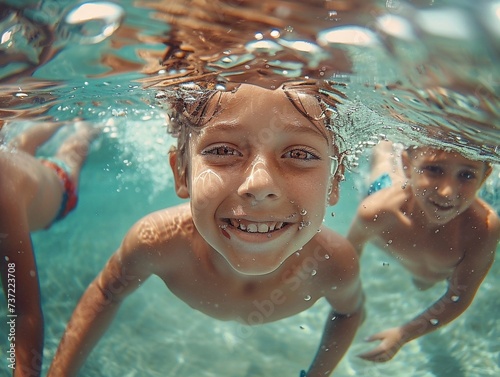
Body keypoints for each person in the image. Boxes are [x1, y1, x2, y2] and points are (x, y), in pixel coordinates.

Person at [48, 82, 365, 377]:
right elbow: (105, 293)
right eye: (224, 150)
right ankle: (80, 137)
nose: (260, 185)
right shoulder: (155, 241)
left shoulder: (333, 262)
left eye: (299, 154)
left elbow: (349, 314)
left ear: (334, 182)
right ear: (182, 174)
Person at [347, 140, 500, 363]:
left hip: (424, 258)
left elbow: (458, 297)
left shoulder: (484, 229)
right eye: (434, 169)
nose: (447, 192)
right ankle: (386, 145)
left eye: (467, 175)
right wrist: (353, 302)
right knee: (383, 170)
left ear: (484, 178)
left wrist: (403, 334)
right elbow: (348, 254)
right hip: (387, 193)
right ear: (407, 165)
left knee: (424, 282)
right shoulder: (377, 212)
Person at [0, 121, 98, 377]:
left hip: (61, 181)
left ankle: (83, 126)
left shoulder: (2, 198)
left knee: (74, 148)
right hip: (24, 173)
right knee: (22, 143)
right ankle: (56, 120)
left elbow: (23, 311)